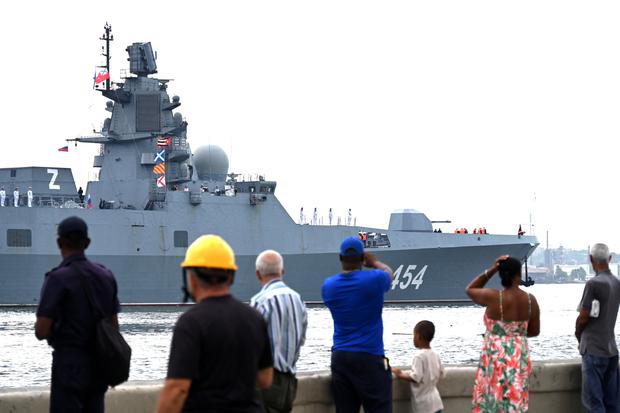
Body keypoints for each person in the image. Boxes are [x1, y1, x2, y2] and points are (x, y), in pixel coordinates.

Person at [156, 235, 273, 413]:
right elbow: (265, 379)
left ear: (192, 277)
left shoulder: (191, 323)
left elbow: (177, 388)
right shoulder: (255, 318)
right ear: (231, 275)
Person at [35, 216, 120, 413]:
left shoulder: (57, 278)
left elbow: (41, 330)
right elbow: (114, 327)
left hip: (69, 364)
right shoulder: (106, 276)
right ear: (87, 243)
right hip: (99, 367)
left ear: (59, 242)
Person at [322, 236, 395, 413]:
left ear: (340, 258)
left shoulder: (329, 286)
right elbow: (389, 274)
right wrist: (375, 262)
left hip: (340, 357)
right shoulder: (375, 280)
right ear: (363, 258)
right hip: (369, 356)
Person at [466, 256, 540, 412]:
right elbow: (534, 331)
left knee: (492, 400)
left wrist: (492, 269)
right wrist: (515, 335)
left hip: (494, 357)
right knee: (515, 401)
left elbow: (470, 289)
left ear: (501, 275)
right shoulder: (530, 300)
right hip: (518, 356)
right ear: (519, 274)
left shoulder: (494, 297)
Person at [251, 250, 308, 413]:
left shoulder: (260, 302)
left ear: (258, 273)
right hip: (290, 382)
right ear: (282, 271)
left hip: (266, 383)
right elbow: (301, 339)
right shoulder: (298, 299)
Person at [575, 243, 620, 412]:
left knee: (594, 404)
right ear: (609, 259)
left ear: (591, 259)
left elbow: (584, 317)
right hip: (611, 350)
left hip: (593, 350)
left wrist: (578, 335)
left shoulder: (593, 284)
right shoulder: (617, 283)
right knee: (613, 403)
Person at [392, 320, 444, 413]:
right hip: (436, 402)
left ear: (418, 336)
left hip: (424, 406)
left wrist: (399, 374)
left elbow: (416, 377)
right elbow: (441, 373)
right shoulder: (435, 354)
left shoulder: (419, 357)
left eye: (414, 335)